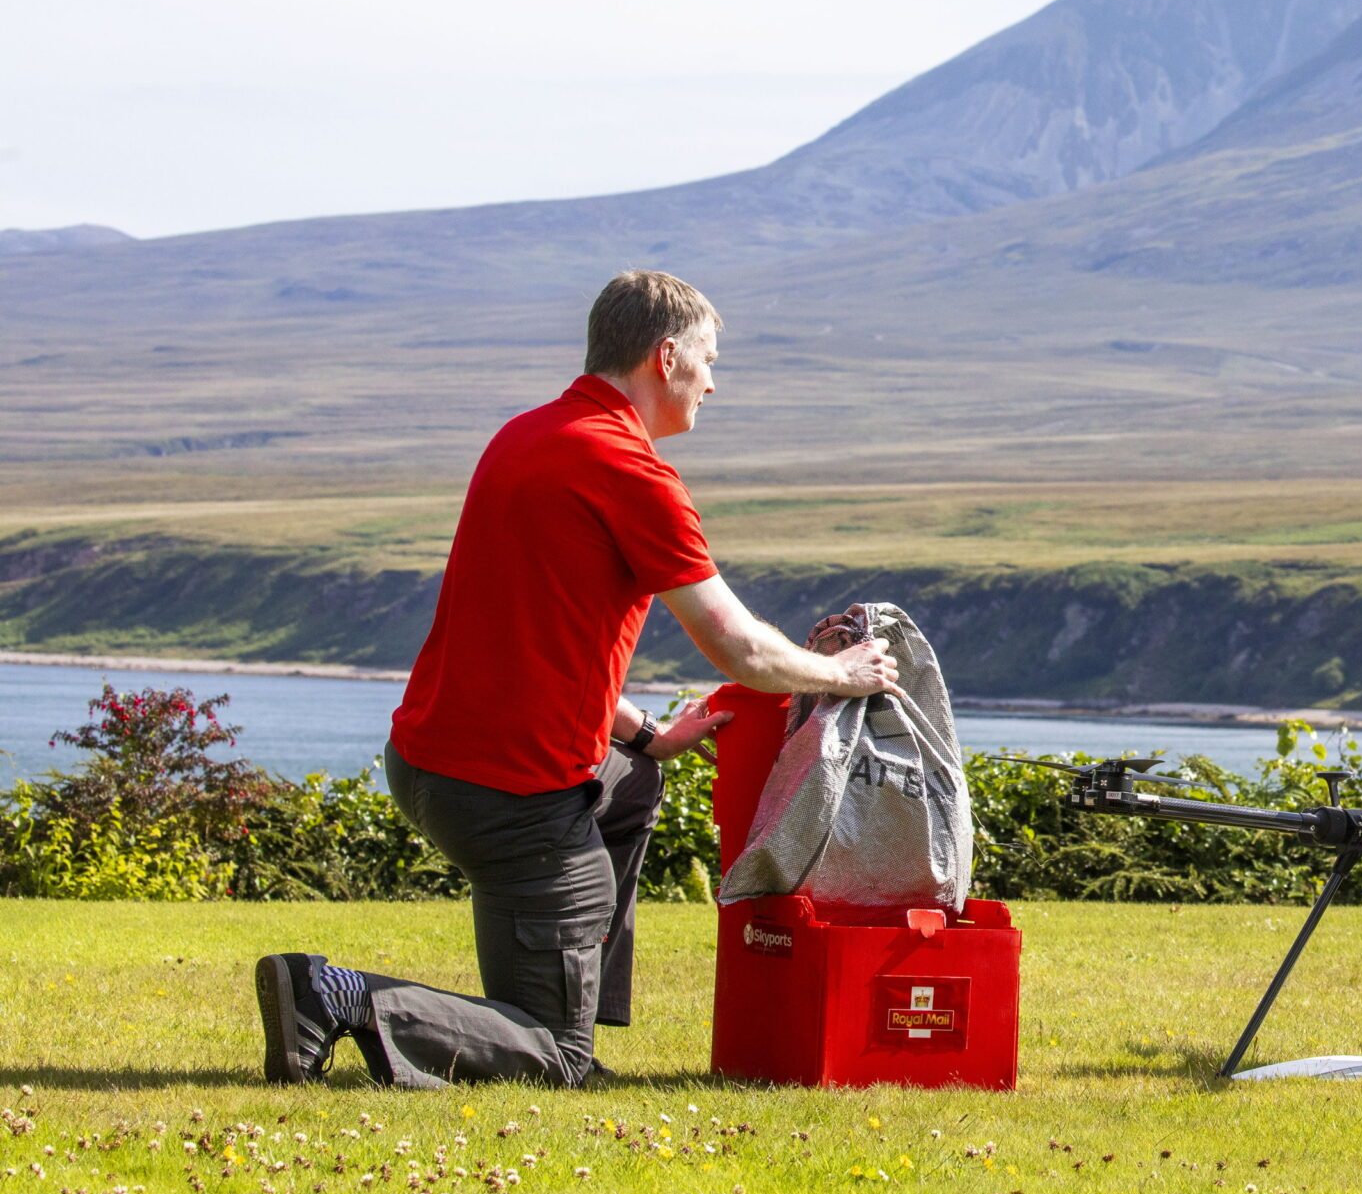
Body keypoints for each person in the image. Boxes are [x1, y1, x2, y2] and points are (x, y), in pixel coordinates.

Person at [252, 270, 898, 1088]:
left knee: (632, 782)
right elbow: (737, 647)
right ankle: (335, 994)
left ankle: (562, 989)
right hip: (507, 794)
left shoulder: (526, 435)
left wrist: (645, 734)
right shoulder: (632, 472)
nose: (714, 380)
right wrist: (841, 674)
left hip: (426, 763)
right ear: (665, 358)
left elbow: (532, 633)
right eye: (707, 359)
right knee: (557, 1063)